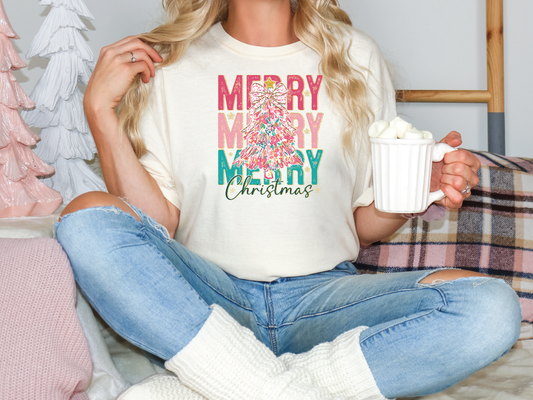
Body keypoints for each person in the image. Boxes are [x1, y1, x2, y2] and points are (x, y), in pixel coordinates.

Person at [55, 0, 521, 399]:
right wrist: (100, 113)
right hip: (212, 298)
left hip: (324, 302)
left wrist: (415, 190)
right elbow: (159, 225)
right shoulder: (171, 66)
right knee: (84, 217)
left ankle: (231, 383)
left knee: (490, 310)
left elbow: (361, 225)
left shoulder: (354, 56)